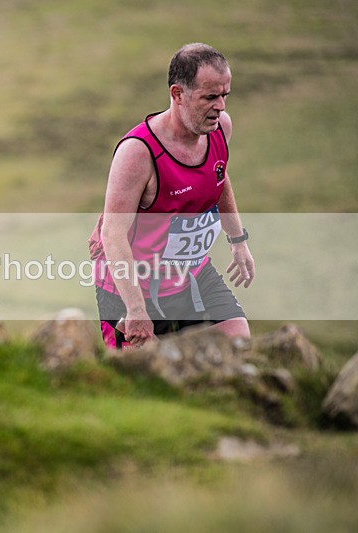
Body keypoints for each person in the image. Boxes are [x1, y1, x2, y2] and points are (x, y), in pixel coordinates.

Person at [88, 43, 255, 350]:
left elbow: (219, 175)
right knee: (137, 384)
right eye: (209, 97)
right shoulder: (138, 153)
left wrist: (237, 240)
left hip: (191, 274)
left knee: (238, 345)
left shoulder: (219, 129)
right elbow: (112, 233)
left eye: (224, 96)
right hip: (131, 287)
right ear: (178, 94)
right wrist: (136, 309)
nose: (220, 107)